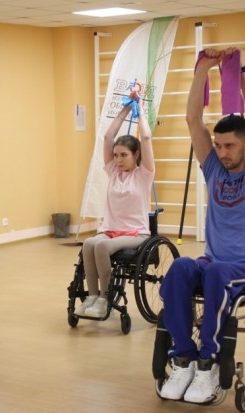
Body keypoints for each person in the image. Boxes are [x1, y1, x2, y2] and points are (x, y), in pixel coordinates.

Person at [157, 48, 245, 403]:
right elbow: (192, 119)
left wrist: (238, 71)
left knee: (216, 274)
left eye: (229, 146)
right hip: (214, 261)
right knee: (180, 268)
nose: (222, 152)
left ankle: (208, 362)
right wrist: (203, 68)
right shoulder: (214, 169)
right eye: (219, 146)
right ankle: (184, 359)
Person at [73, 90, 155, 318]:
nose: (118, 160)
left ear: (136, 155)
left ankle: (104, 299)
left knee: (101, 247)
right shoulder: (113, 172)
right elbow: (108, 137)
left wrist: (140, 110)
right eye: (116, 155)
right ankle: (91, 297)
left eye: (124, 155)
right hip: (110, 230)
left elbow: (146, 139)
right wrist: (126, 108)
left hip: (136, 232)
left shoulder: (144, 175)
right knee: (89, 243)